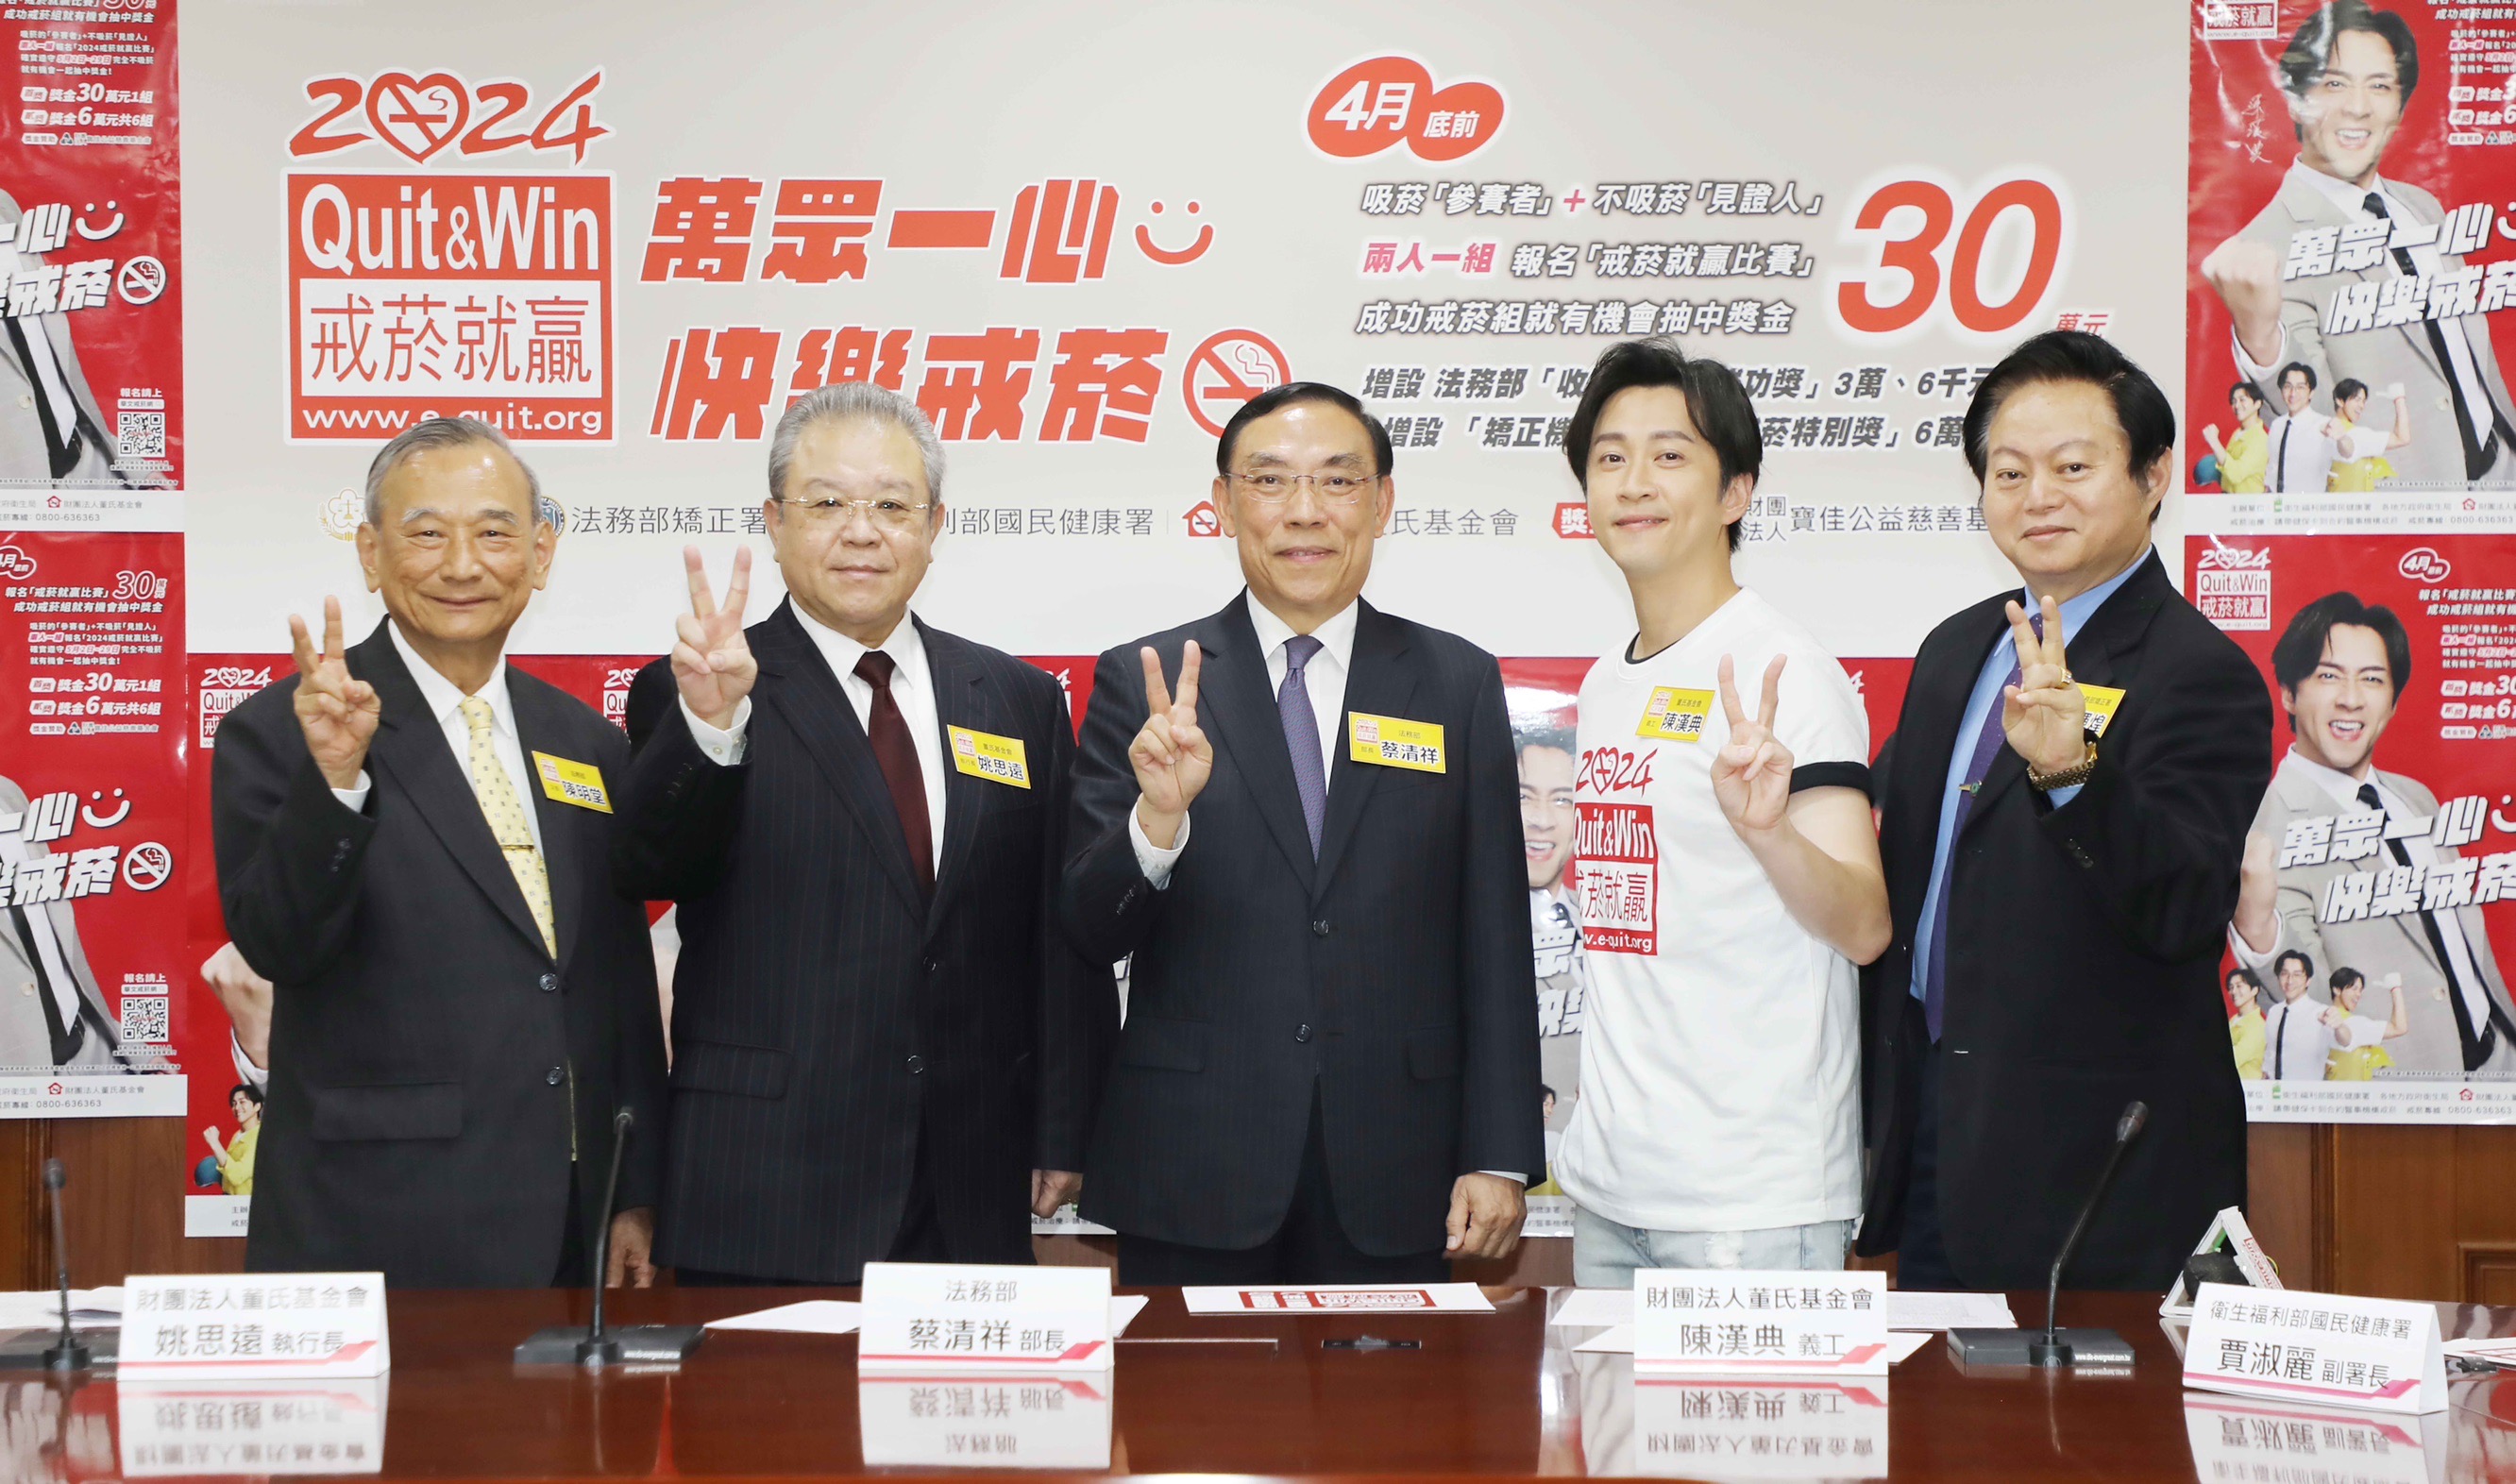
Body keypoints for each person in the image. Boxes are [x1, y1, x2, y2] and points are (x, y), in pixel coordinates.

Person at [616, 381, 1114, 1286]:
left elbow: (1055, 929)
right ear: (774, 521)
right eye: (826, 504)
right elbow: (655, 865)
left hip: (969, 1172)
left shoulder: (1014, 699)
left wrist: (1061, 1124)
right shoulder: (703, 688)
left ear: (934, 525)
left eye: (891, 505)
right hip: (766, 1175)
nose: (861, 532)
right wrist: (712, 728)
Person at [1061, 379, 1543, 1284]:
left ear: (1382, 502)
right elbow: (1089, 928)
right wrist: (1157, 819)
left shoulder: (1455, 681)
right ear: (1222, 503)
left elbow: (1493, 934)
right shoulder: (1146, 678)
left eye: (1337, 480)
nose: (1304, 511)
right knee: (1189, 1387)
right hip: (1193, 1160)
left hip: (1402, 1161)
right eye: (1270, 480)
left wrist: (1499, 1153)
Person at [211, 417, 667, 1288]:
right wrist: (336, 783)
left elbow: (616, 979)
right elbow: (279, 944)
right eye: (426, 535)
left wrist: (631, 1188)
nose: (462, 565)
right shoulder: (283, 731)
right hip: (378, 1218)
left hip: (571, 1221)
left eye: (494, 533)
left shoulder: (586, 743)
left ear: (540, 554)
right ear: (370, 553)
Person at [1858, 330, 2271, 1291]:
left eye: (2072, 467)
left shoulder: (2196, 672)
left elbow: (2181, 909)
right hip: (1933, 1138)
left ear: (2153, 475)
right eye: (2009, 472)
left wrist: (2073, 772)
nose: (2037, 495)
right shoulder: (1955, 651)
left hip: (2098, 1173)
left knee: (2077, 1401)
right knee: (1935, 1391)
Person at [1550, 338, 1888, 1284]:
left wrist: (1768, 831)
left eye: (1669, 455)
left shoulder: (1785, 671)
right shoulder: (1606, 681)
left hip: (1749, 1203)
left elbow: (1864, 926)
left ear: (1735, 492)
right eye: (1610, 457)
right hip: (1611, 1189)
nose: (1633, 482)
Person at [2200, 0, 2516, 488]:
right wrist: (2261, 340)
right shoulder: (2265, 246)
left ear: (2399, 107)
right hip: (2406, 502)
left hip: (2503, 475)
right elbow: (2312, 417)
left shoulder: (2423, 206)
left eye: (2380, 86)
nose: (2358, 106)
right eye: (2334, 84)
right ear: (2295, 99)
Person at [2228, 592, 2516, 1075]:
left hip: (2501, 1062)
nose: (2351, 698)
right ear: (2289, 694)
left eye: (2373, 679)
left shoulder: (2415, 797)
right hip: (2401, 1090)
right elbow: (2309, 1002)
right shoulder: (2267, 829)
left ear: (2393, 701)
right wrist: (2258, 932)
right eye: (2328, 676)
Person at [0, 773, 157, 1072]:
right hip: (16, 1079)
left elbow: (51, 945)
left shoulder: (6, 793)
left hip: (91, 1049)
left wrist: (133, 1050)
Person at [0, 189, 125, 488]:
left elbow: (56, 365)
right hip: (16, 497)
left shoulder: (4, 206)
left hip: (89, 464)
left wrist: (133, 467)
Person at [1518, 723, 1587, 1147]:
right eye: (1523, 797)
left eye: (1563, 799)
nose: (1541, 820)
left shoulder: (1606, 924)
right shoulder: (1443, 919)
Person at [2322, 378, 2411, 491]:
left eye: (2363, 401)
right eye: (2357, 399)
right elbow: (2402, 438)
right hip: (2356, 500)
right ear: (2340, 401)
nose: (2361, 406)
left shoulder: (2324, 430)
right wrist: (2399, 399)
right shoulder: (2357, 435)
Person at [2264, 949, 2337, 1083]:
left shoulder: (2320, 1012)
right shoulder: (2274, 1011)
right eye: (2284, 974)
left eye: (2297, 975)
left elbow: (2345, 1042)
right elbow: (2270, 1052)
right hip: (2274, 1090)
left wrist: (2340, 1027)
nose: (2289, 981)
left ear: (2308, 980)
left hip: (2305, 1091)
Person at [2325, 969, 2409, 1078]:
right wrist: (2395, 988)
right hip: (2353, 1086)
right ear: (2336, 990)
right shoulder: (2354, 1024)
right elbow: (2399, 1028)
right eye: (2354, 989)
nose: (2358, 994)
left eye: (2360, 990)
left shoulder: (2323, 1018)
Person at [2202, 382, 2271, 494]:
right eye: (2234, 401)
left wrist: (2214, 442)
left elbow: (2236, 474)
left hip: (2247, 502)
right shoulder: (2238, 432)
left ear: (2257, 404)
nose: (2237, 406)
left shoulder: (2260, 440)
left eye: (2242, 400)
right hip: (2229, 497)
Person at [204, 1084, 262, 1195]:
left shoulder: (259, 1137)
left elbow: (237, 1176)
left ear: (257, 1106)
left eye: (242, 1102)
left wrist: (215, 1143)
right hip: (230, 1200)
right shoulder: (238, 1134)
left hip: (246, 1202)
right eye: (234, 1103)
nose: (237, 1108)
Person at [2228, 967, 2268, 1080]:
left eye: (2239, 986)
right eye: (2231, 987)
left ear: (2254, 990)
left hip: (2249, 1087)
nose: (2234, 991)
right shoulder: (2234, 1020)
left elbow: (2235, 1058)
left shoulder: (2257, 1026)